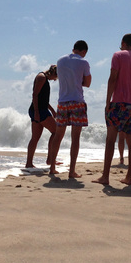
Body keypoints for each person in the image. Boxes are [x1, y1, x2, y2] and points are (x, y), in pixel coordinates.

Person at [93, 34, 131, 185]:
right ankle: (129, 178)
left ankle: (105, 176)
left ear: (123, 43)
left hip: (118, 103)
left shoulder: (117, 55)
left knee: (111, 139)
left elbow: (112, 78)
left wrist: (107, 101)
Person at [47, 40, 92, 178]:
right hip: (77, 101)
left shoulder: (60, 60)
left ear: (73, 49)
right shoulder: (84, 63)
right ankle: (71, 171)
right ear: (83, 51)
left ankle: (52, 167)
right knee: (75, 138)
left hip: (62, 101)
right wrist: (79, 81)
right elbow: (88, 83)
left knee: (58, 136)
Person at [25, 65, 59, 168]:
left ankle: (29, 163)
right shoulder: (42, 77)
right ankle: (50, 159)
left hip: (40, 110)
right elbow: (35, 95)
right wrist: (36, 112)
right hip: (39, 111)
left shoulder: (44, 78)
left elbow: (43, 99)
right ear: (53, 73)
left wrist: (52, 110)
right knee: (56, 132)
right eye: (55, 78)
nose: (55, 80)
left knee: (35, 138)